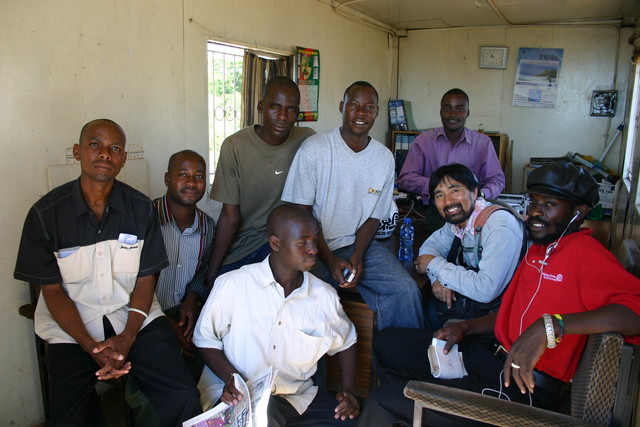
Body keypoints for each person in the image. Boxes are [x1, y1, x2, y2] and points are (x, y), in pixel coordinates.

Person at [358, 162, 640, 426]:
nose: (535, 213)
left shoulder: (584, 253)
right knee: (387, 343)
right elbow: (511, 312)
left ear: (577, 212)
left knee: (383, 402)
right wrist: (466, 328)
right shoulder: (541, 249)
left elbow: (635, 312)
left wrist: (552, 326)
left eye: (550, 205)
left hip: (520, 385)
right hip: (488, 353)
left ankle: (408, 407)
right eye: (534, 203)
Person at [14, 119, 201, 426]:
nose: (105, 154)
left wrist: (128, 337)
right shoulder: (46, 215)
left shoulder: (141, 209)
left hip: (134, 318)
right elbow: (52, 292)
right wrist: (90, 346)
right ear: (77, 152)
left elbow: (145, 281)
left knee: (181, 394)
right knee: (68, 417)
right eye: (94, 145)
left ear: (123, 159)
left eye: (115, 148)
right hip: (72, 330)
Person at [193, 204, 360, 426]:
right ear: (275, 243)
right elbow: (205, 339)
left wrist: (347, 391)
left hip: (296, 398)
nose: (313, 249)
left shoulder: (324, 297)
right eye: (303, 241)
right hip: (237, 396)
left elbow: (347, 340)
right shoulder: (234, 285)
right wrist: (231, 379)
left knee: (352, 422)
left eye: (315, 239)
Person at [281, 81, 424, 331]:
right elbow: (301, 215)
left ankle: (400, 365)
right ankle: (313, 370)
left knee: (405, 290)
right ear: (342, 107)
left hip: (360, 246)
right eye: (354, 105)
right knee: (313, 307)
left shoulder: (383, 158)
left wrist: (357, 256)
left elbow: (374, 217)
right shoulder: (315, 150)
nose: (361, 113)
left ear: (377, 112)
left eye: (369, 107)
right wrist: (330, 258)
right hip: (314, 247)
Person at [125, 150, 216, 425]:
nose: (191, 182)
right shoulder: (143, 218)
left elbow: (202, 271)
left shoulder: (207, 227)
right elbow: (127, 280)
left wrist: (191, 299)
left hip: (183, 313)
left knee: (204, 371)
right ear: (167, 178)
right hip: (141, 318)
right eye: (183, 175)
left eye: (199, 176)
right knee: (157, 391)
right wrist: (164, 323)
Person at [207, 76, 315, 283]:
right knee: (223, 293)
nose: (283, 116)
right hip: (244, 246)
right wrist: (212, 273)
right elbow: (229, 217)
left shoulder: (307, 141)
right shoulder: (234, 147)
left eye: (291, 109)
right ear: (260, 107)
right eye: (275, 106)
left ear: (297, 114)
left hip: (286, 244)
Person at [414, 164, 525, 330]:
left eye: (454, 191)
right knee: (422, 307)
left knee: (422, 315)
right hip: (475, 306)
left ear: (474, 192)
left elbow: (486, 290)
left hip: (503, 318)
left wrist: (436, 266)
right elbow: (429, 249)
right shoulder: (460, 220)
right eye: (439, 195)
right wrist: (437, 279)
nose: (448, 201)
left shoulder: (498, 226)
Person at [396, 88, 505, 204]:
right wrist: (437, 186)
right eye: (447, 109)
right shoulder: (423, 141)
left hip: (471, 209)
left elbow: (497, 180)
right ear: (440, 112)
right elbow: (405, 178)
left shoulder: (483, 143)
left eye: (460, 109)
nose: (453, 114)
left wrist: (481, 194)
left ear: (467, 113)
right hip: (431, 210)